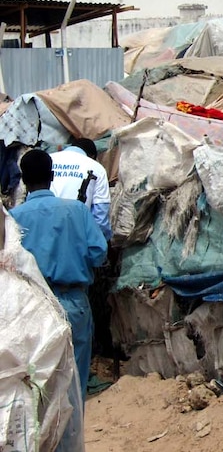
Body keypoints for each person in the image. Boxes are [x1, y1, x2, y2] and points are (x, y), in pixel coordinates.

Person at [10, 149, 107, 402]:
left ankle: (43, 441)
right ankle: (69, 440)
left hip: (31, 308)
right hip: (72, 302)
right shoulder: (77, 211)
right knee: (73, 386)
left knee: (36, 386)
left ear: (23, 180)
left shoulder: (13, 218)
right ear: (52, 176)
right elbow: (99, 252)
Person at [50, 138, 112, 241]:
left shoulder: (48, 159)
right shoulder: (97, 168)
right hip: (75, 237)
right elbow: (100, 216)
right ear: (92, 156)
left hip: (42, 231)